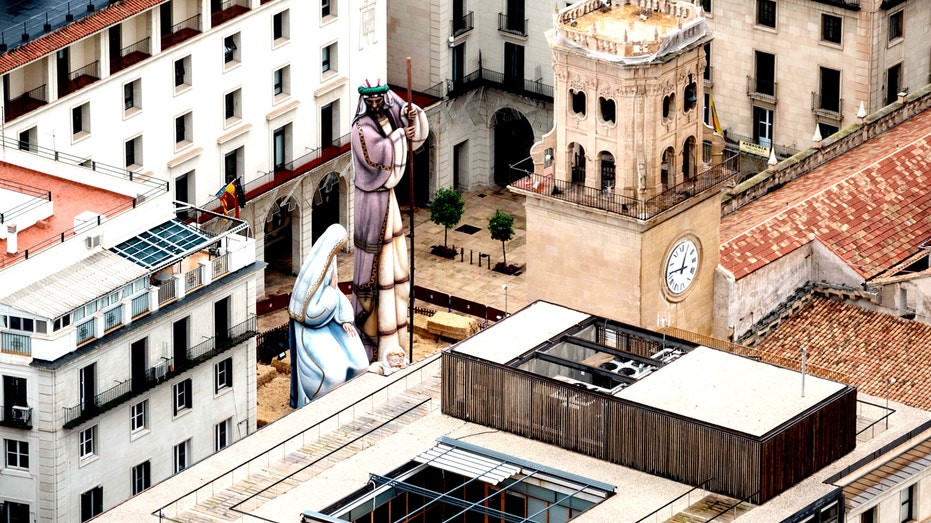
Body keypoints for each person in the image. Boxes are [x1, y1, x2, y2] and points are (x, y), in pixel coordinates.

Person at [350, 80, 429, 365]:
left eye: (378, 99)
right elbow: (377, 157)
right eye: (370, 101)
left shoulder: (388, 110)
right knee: (378, 268)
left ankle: (394, 342)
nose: (375, 104)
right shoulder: (360, 128)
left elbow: (409, 117)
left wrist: (411, 116)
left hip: (388, 201)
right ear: (364, 101)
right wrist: (400, 136)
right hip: (372, 203)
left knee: (394, 266)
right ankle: (375, 343)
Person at [288, 224, 369, 407]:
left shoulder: (330, 263)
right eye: (338, 248)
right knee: (333, 376)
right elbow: (310, 314)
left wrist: (345, 319)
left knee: (360, 364)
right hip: (311, 329)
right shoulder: (313, 273)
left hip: (330, 322)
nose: (339, 252)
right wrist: (331, 291)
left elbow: (336, 293)